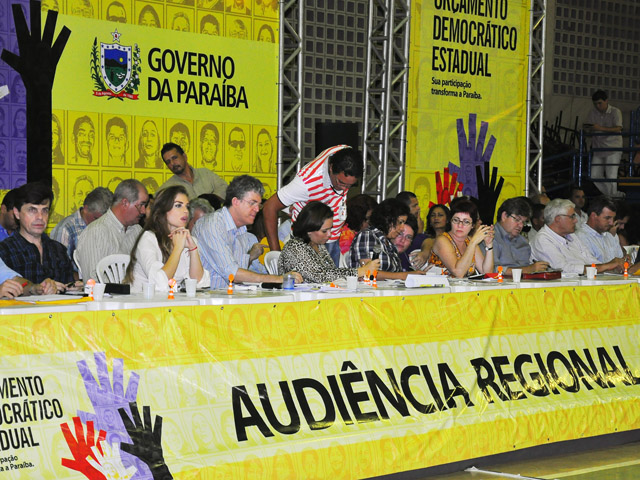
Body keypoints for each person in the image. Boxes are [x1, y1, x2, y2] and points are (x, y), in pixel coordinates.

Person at [192, 175, 302, 288]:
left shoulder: (241, 230)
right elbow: (232, 274)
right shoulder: (213, 224)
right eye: (252, 203)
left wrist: (249, 258)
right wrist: (279, 278)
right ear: (235, 202)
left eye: (258, 204)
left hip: (229, 298)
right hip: (206, 301)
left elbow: (240, 273)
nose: (257, 209)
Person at [263, 145, 363, 265]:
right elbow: (269, 207)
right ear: (331, 168)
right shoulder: (306, 183)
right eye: (341, 182)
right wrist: (276, 255)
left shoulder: (346, 153)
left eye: (350, 185)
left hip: (332, 237)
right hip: (307, 241)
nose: (344, 189)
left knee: (332, 281)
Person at [125, 186, 208, 292]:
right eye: (178, 205)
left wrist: (193, 249)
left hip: (172, 302)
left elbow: (198, 283)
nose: (185, 211)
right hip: (143, 302)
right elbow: (159, 283)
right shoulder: (148, 239)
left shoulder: (187, 239)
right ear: (162, 210)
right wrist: (178, 248)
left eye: (187, 206)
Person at [0, 182, 75, 291]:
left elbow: (68, 287)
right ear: (17, 213)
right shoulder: (4, 251)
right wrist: (37, 289)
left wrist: (71, 288)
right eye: (32, 210)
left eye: (45, 210)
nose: (40, 217)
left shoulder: (59, 250)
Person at [278, 202, 379, 283]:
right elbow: (319, 276)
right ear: (309, 230)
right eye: (324, 231)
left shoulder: (319, 245)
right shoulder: (295, 247)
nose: (329, 234)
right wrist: (359, 271)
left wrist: (352, 277)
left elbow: (332, 272)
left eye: (330, 229)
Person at [76, 179, 149, 281]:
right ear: (125, 203)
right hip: (108, 296)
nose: (144, 211)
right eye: (141, 205)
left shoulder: (137, 230)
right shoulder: (95, 233)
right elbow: (93, 280)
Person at [529, 198, 623, 274]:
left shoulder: (572, 236)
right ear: (558, 219)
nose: (576, 220)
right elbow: (563, 269)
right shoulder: (542, 239)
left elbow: (592, 261)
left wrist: (613, 267)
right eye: (572, 216)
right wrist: (606, 266)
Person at [349, 198, 418, 280]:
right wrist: (405, 276)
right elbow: (369, 273)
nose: (402, 228)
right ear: (387, 219)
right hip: (368, 290)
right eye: (400, 222)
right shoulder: (368, 235)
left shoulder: (388, 243)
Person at [428, 200, 494, 278]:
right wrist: (473, 243)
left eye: (466, 222)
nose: (460, 225)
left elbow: (486, 272)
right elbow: (458, 272)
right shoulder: (442, 240)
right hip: (441, 289)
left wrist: (489, 245)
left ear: (472, 225)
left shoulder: (469, 240)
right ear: (450, 221)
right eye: (456, 220)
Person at [50, 187, 113, 267]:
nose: (101, 223)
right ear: (86, 209)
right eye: (96, 218)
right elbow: (58, 268)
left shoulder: (111, 227)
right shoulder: (65, 229)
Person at [492, 197, 549, 275]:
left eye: (524, 222)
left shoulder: (523, 241)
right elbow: (492, 270)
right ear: (504, 216)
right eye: (517, 220)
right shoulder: (490, 238)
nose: (521, 225)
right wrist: (529, 269)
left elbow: (528, 267)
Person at [159, 142, 228, 201]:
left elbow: (224, 187)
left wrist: (212, 199)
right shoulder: (168, 187)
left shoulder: (205, 173)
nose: (172, 163)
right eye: (168, 162)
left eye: (174, 158)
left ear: (184, 156)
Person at [586, 90, 623, 197]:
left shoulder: (615, 112)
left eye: (600, 103)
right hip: (598, 148)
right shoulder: (593, 112)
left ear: (606, 101)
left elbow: (618, 128)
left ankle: (613, 197)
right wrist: (589, 129)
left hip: (613, 148)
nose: (598, 106)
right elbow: (589, 126)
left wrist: (599, 128)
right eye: (596, 104)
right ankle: (614, 195)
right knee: (594, 175)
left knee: (611, 175)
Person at [575, 196, 625, 264]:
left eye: (613, 218)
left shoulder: (611, 235)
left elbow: (620, 262)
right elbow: (590, 269)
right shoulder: (580, 237)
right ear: (593, 216)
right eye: (607, 218)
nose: (611, 222)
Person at [409, 203, 450, 270]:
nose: (436, 218)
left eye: (440, 215)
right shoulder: (423, 238)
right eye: (433, 215)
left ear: (448, 219)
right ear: (430, 221)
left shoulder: (453, 239)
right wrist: (425, 253)